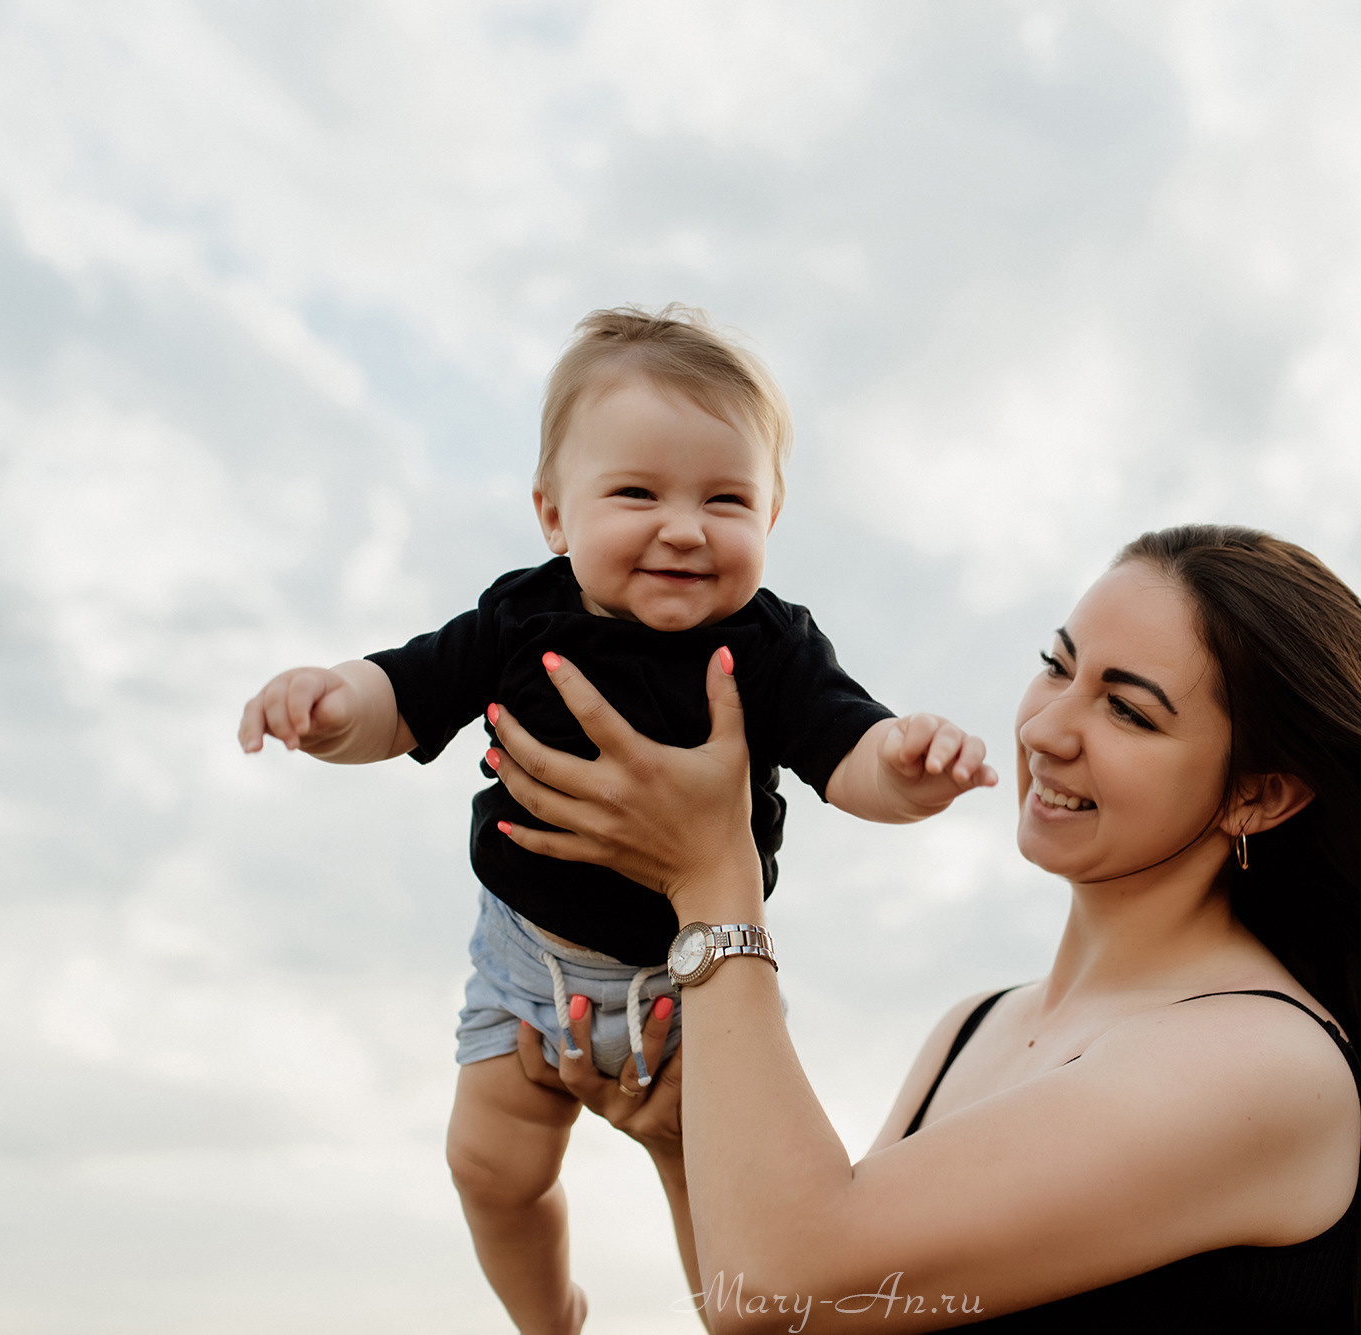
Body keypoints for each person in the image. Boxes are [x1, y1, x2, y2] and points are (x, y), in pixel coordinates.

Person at [488, 524, 1361, 1333]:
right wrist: (689, 1149)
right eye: (1056, 665)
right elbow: (784, 1319)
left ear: (1258, 796)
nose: (1049, 729)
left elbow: (795, 1273)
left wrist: (713, 881)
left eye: (1129, 710)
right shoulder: (970, 1028)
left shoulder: (1263, 1063)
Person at [235, 306, 997, 1335]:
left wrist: (907, 768)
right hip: (522, 963)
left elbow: (845, 751)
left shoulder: (768, 646)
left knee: (728, 1216)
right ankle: (548, 1316)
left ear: (770, 519)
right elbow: (405, 691)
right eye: (637, 492)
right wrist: (329, 707)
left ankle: (736, 1320)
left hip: (692, 981)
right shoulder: (521, 615)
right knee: (488, 1166)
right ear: (554, 516)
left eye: (725, 499)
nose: (683, 526)